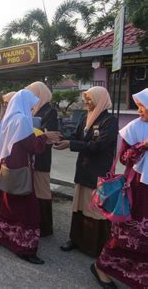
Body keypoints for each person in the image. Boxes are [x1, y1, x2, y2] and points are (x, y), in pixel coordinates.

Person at [0, 89, 60, 264]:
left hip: (7, 166)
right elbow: (32, 146)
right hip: (21, 169)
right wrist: (45, 137)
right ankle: (25, 248)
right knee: (28, 209)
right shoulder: (23, 120)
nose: (32, 109)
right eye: (31, 106)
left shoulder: (9, 117)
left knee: (6, 200)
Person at [92, 88, 148, 289]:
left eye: (144, 107)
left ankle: (139, 275)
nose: (140, 110)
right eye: (139, 106)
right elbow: (124, 158)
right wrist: (143, 146)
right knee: (128, 235)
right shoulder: (133, 128)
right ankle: (102, 267)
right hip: (136, 188)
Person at [55, 86, 117, 257]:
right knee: (79, 205)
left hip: (97, 171)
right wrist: (64, 139)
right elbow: (76, 136)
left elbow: (98, 146)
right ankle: (76, 239)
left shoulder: (109, 121)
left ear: (100, 99)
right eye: (86, 98)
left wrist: (71, 144)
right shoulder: (85, 117)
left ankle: (94, 244)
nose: (86, 102)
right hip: (83, 169)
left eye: (90, 99)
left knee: (95, 208)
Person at [25, 81, 58, 237]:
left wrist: (33, 132)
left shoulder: (49, 111)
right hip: (32, 153)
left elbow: (50, 134)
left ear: (40, 94)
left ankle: (45, 226)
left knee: (42, 189)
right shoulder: (33, 109)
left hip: (42, 155)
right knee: (33, 188)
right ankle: (34, 220)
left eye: (33, 94)